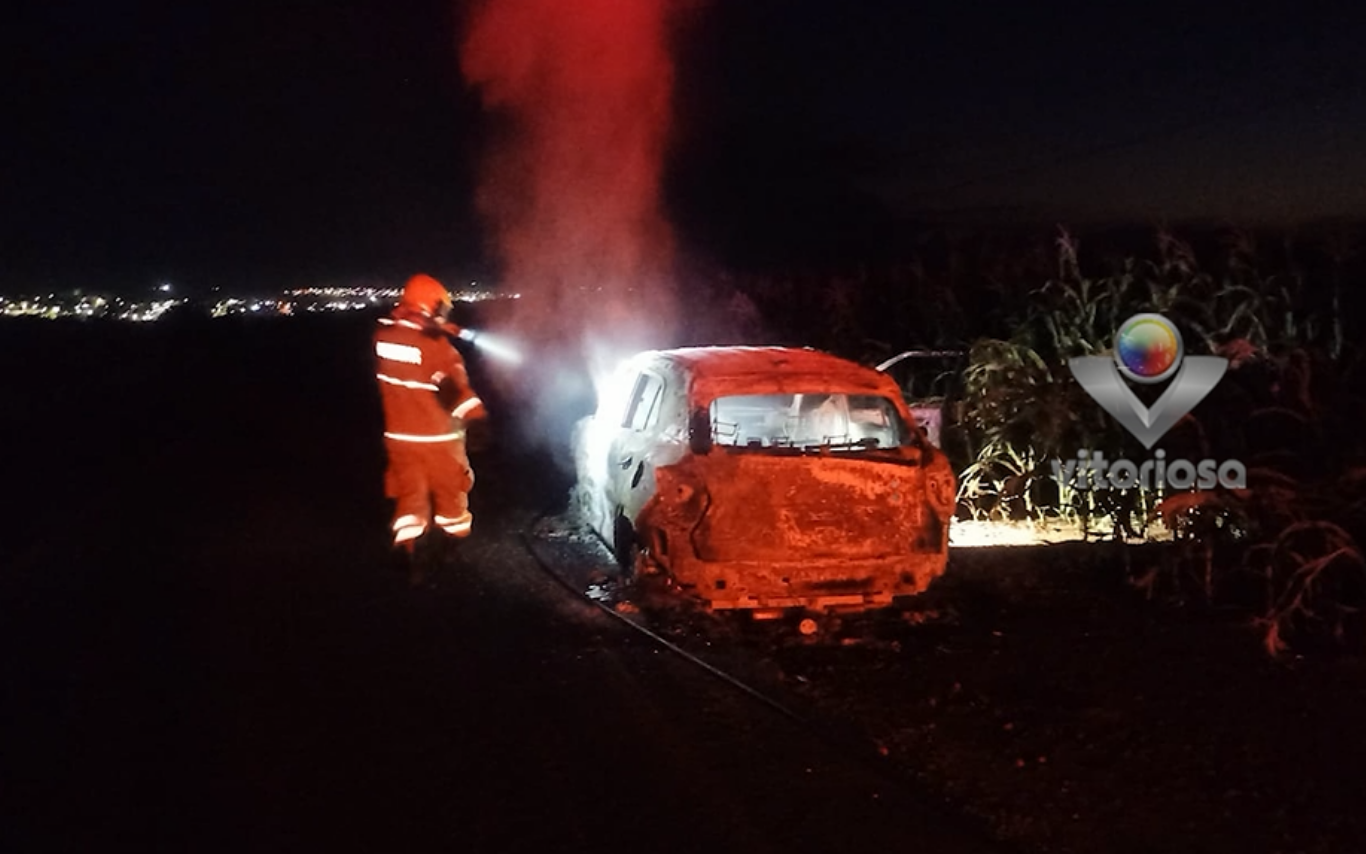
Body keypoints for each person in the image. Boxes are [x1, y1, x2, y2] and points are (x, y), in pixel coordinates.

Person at [373, 274, 487, 579]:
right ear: (431, 306)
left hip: (399, 440)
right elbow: (454, 392)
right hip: (439, 440)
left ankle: (406, 548)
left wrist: (427, 328)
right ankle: (448, 550)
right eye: (441, 310)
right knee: (453, 498)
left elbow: (410, 360)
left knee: (410, 498)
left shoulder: (384, 339)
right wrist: (476, 419)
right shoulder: (438, 348)